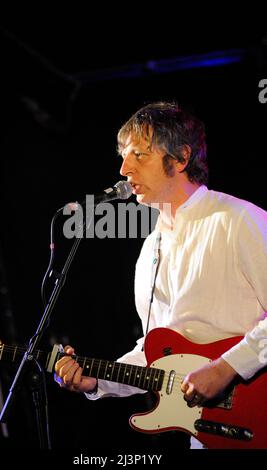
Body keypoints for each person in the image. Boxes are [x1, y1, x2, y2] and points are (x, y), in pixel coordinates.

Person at [54, 101, 267, 446]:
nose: (125, 168)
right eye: (124, 155)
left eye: (139, 155)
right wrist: (95, 382)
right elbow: (156, 354)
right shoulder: (150, 249)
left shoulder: (238, 220)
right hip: (208, 433)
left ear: (181, 158)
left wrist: (227, 368)